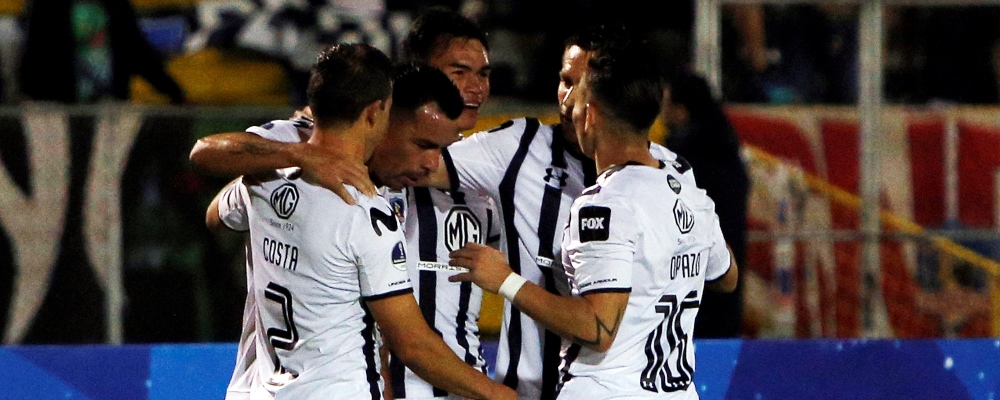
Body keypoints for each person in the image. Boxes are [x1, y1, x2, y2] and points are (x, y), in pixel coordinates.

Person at [192, 8, 498, 399]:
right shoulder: (358, 201)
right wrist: (297, 157)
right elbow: (410, 344)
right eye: (424, 144)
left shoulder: (270, 172)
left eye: (483, 74)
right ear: (382, 112)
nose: (432, 164)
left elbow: (220, 210)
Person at [448, 38, 739, 400]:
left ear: (591, 115)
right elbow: (726, 276)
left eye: (578, 98)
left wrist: (506, 281)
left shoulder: (604, 205)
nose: (569, 106)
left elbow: (598, 329)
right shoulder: (687, 191)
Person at [662, 69, 750, 338]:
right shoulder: (728, 146)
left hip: (689, 272)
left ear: (681, 111)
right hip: (727, 265)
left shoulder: (682, 158)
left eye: (666, 104)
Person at [18, 0, 186, 103]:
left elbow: (136, 51)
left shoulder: (116, 4)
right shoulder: (46, 5)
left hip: (109, 108)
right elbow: (35, 53)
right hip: (60, 108)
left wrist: (172, 90)